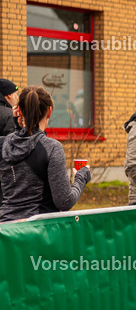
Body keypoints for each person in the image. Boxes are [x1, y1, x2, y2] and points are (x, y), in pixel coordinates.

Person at [0, 86, 90, 222]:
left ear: (19, 112)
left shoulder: (3, 144)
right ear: (49, 111)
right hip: (39, 228)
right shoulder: (51, 148)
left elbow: (21, 144)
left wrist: (18, 126)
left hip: (6, 227)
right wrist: (81, 177)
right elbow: (64, 202)